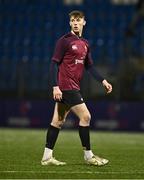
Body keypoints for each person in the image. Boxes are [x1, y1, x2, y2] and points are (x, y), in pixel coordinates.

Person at [41, 10, 112, 166]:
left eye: (78, 20)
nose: (75, 22)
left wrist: (103, 81)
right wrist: (55, 86)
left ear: (84, 23)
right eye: (73, 20)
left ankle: (47, 157)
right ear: (70, 23)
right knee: (86, 117)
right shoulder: (64, 41)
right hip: (66, 87)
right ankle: (88, 155)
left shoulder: (85, 44)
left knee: (58, 121)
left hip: (73, 86)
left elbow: (90, 67)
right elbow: (54, 63)